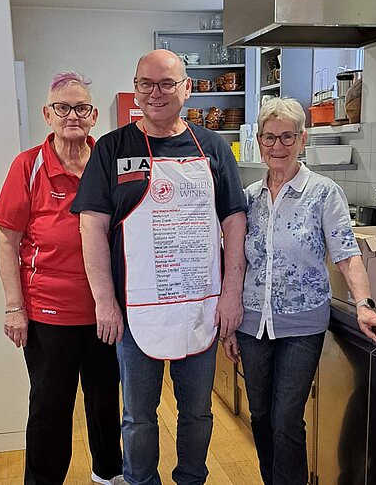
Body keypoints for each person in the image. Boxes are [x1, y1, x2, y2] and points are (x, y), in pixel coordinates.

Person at [71, 49, 247, 485]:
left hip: (200, 305)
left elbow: (234, 223)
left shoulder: (213, 148)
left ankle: (191, 479)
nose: (156, 93)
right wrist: (104, 302)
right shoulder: (112, 149)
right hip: (136, 310)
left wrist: (231, 294)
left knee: (198, 412)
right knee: (137, 416)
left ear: (186, 88)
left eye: (167, 83)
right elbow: (91, 228)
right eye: (146, 84)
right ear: (135, 89)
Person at [221, 97, 376, 485]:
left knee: (286, 419)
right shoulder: (249, 198)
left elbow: (347, 254)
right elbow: (235, 262)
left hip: (301, 327)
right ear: (259, 140)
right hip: (252, 324)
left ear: (302, 140)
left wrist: (363, 304)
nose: (278, 146)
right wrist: (229, 322)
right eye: (270, 137)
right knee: (260, 416)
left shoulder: (323, 193)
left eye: (287, 136)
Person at [0, 72, 124, 485]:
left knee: (105, 402)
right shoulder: (28, 165)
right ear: (47, 114)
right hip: (49, 313)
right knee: (50, 408)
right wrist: (14, 308)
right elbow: (6, 239)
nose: (72, 116)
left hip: (106, 311)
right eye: (63, 108)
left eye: (81, 108)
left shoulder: (108, 163)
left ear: (94, 116)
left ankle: (108, 474)